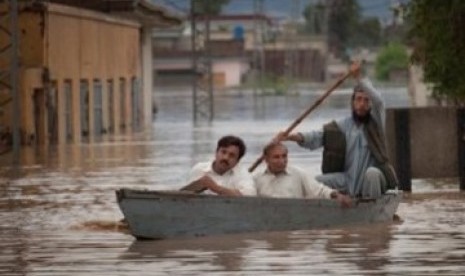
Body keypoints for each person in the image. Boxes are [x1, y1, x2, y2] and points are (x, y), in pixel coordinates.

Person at [277, 61, 398, 198]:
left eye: (366, 101)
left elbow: (379, 101)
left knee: (372, 173)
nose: (362, 104)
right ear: (353, 102)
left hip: (372, 181)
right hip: (348, 179)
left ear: (370, 105)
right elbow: (318, 137)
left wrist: (358, 77)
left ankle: (373, 208)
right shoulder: (343, 125)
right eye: (358, 100)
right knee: (315, 183)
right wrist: (292, 137)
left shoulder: (377, 122)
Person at [254, 142, 352, 207]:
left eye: (284, 156)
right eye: (276, 157)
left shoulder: (298, 174)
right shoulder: (257, 178)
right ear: (266, 160)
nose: (282, 161)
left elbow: (319, 191)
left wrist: (337, 195)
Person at [182, 135, 256, 196]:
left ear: (237, 161)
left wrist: (216, 188)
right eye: (223, 152)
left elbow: (249, 197)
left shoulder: (242, 174)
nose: (226, 158)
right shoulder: (199, 169)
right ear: (216, 152)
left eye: (232, 155)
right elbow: (184, 197)